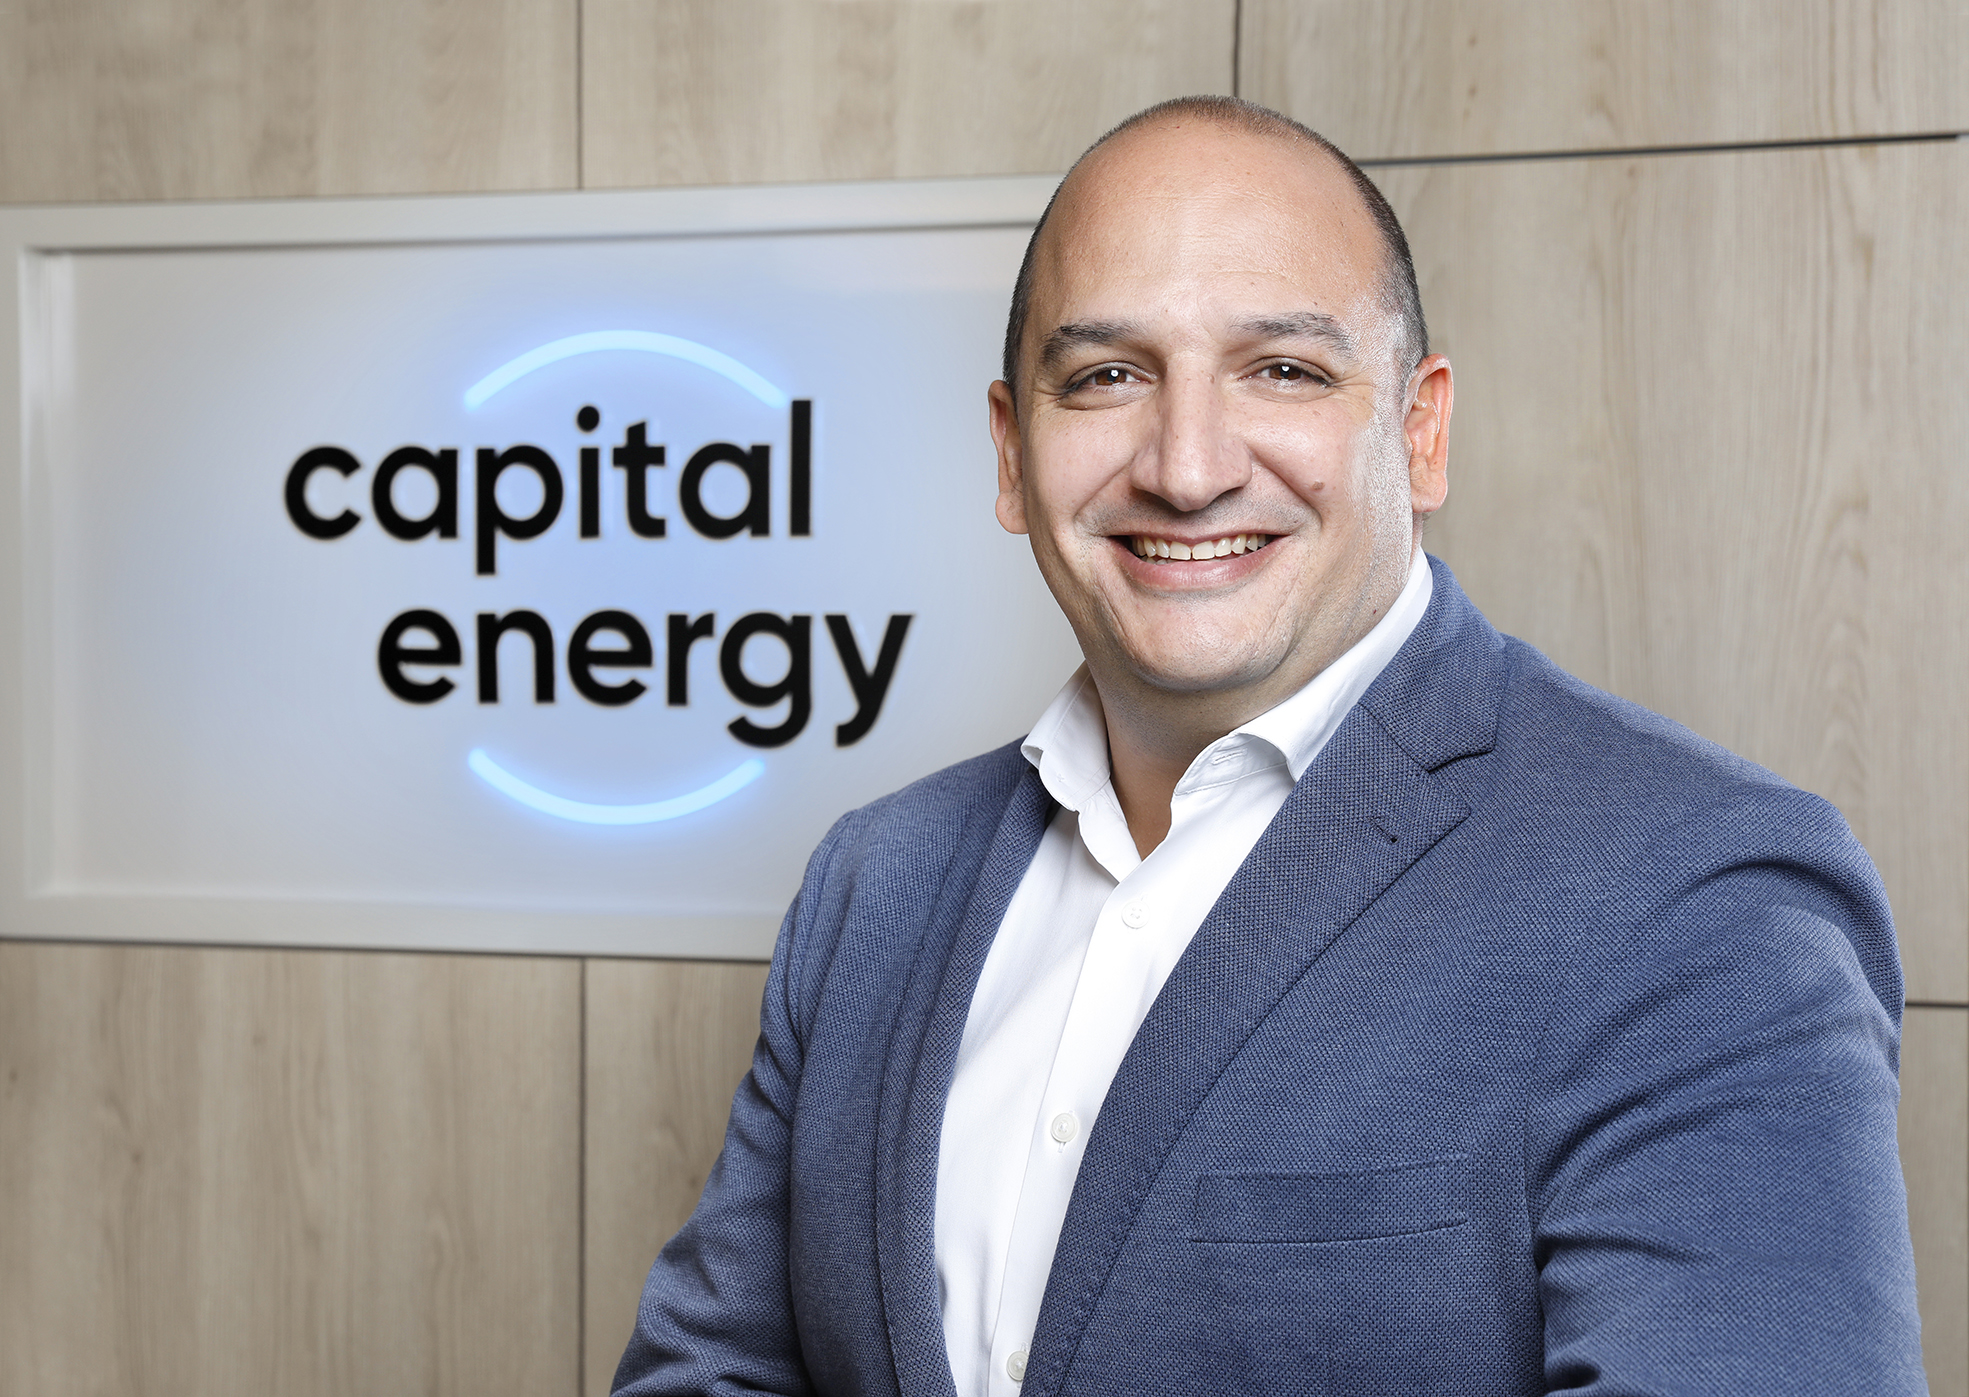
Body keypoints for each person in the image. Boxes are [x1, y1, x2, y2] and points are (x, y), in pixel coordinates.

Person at [611, 96, 1926, 1396]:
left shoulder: (1693, 899)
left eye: (1283, 369)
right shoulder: (874, 884)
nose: (1186, 469)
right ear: (1011, 453)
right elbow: (707, 1374)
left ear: (1418, 431)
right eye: (1106, 376)